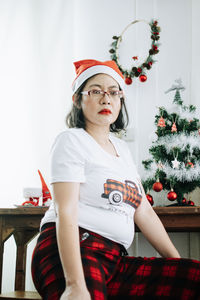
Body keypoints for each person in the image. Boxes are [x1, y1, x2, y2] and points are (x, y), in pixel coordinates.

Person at [31, 59, 200, 300]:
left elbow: (145, 213)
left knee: (193, 277)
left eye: (113, 92)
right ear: (78, 100)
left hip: (115, 259)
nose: (106, 98)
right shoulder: (71, 140)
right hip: (72, 250)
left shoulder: (122, 150)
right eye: (96, 91)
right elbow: (65, 210)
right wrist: (75, 285)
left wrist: (177, 265)